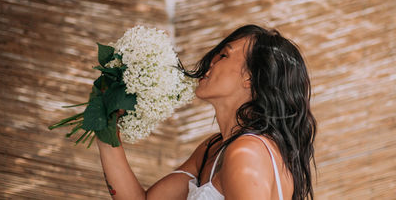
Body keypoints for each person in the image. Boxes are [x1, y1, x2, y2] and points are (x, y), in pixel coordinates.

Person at [96, 24, 317, 200]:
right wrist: (105, 124)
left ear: (250, 77)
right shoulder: (214, 149)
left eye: (223, 55)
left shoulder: (246, 153)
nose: (211, 60)